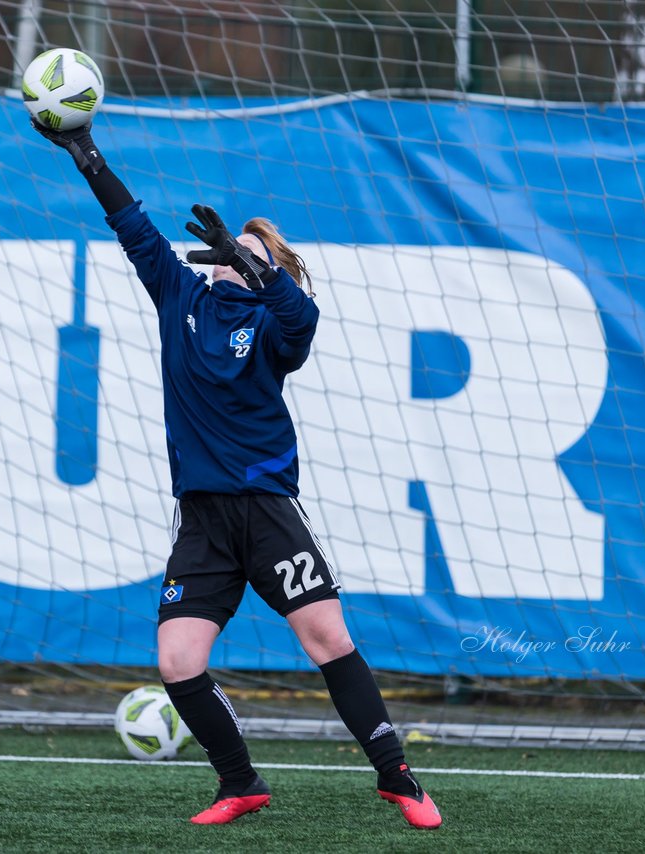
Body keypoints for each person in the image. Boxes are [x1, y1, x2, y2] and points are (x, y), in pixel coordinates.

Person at [32, 117, 442, 831]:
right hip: (203, 517)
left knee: (328, 641)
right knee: (177, 658)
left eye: (247, 252)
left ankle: (397, 777)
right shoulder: (181, 299)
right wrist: (86, 154)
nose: (229, 255)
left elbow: (304, 320)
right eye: (228, 249)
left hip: (266, 510)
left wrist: (259, 268)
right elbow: (132, 226)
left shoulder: (277, 323)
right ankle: (240, 782)